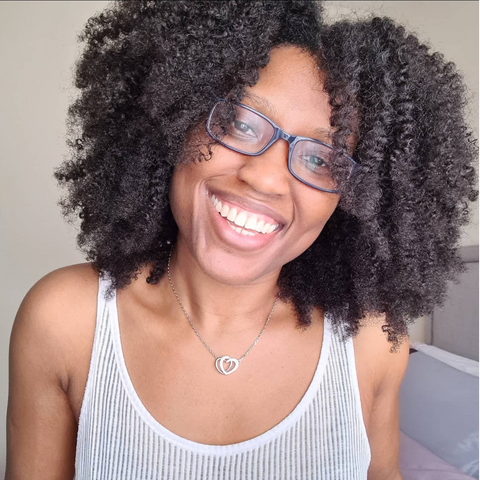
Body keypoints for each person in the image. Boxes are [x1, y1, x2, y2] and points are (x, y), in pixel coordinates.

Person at [6, 1, 477, 479]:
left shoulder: (372, 341)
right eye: (241, 123)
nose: (267, 178)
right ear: (176, 119)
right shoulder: (66, 321)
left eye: (323, 160)